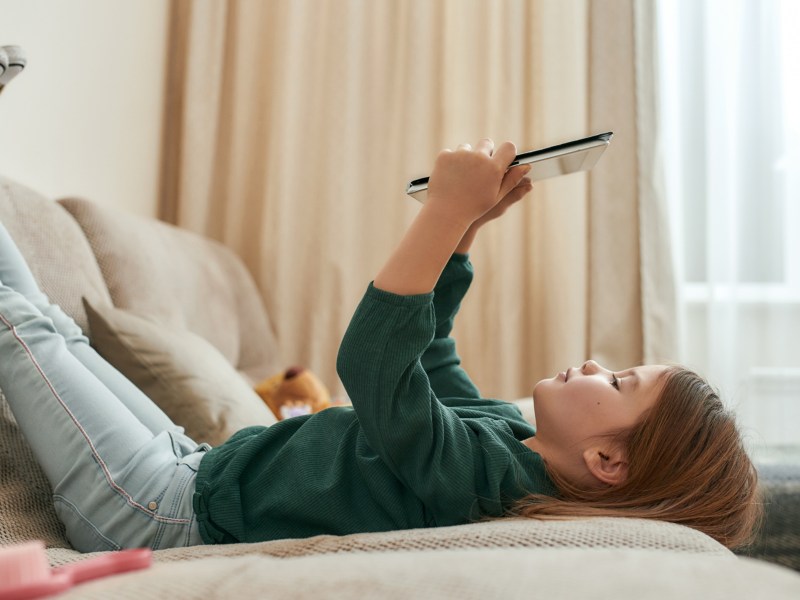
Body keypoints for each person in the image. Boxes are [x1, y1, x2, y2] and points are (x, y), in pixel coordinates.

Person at [0, 139, 760, 554]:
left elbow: (374, 364)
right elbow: (431, 361)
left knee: (21, 330)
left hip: (156, 512)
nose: (597, 363)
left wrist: (439, 213)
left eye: (620, 382)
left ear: (607, 462)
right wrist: (465, 232)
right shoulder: (507, 438)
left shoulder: (482, 483)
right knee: (49, 326)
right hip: (192, 468)